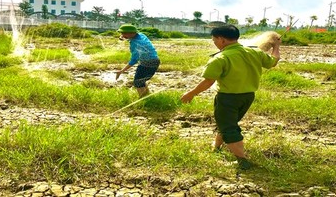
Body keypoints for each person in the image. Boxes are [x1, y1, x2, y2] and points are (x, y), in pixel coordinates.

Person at [180, 24, 281, 170]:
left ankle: (243, 160)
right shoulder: (255, 52)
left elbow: (208, 81)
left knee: (229, 128)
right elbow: (273, 62)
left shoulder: (220, 58)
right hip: (247, 97)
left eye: (214, 40)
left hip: (228, 99)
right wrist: (276, 46)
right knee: (228, 123)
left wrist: (191, 94)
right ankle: (216, 147)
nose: (214, 43)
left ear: (221, 40)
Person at [115, 24, 160, 98]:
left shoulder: (135, 43)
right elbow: (131, 36)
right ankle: (147, 97)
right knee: (141, 81)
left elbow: (134, 59)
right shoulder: (141, 35)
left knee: (138, 82)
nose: (122, 35)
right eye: (122, 33)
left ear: (132, 33)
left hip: (148, 62)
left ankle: (142, 99)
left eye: (124, 33)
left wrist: (121, 71)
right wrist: (123, 36)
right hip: (155, 60)